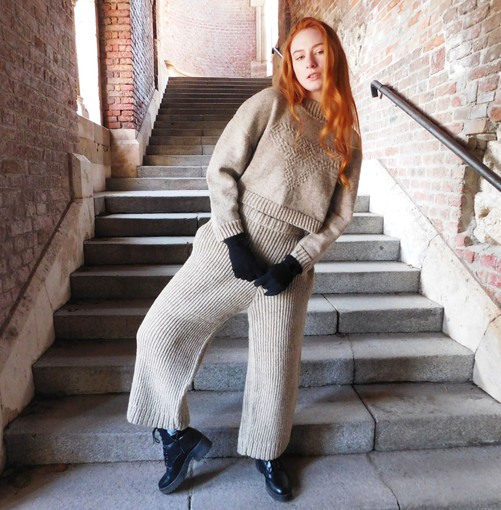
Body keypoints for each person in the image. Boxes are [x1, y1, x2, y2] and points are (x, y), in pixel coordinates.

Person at [126, 16, 362, 502]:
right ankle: (173, 433)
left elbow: (339, 217)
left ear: (334, 56)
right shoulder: (271, 104)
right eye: (299, 55)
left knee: (276, 370)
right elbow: (221, 170)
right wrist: (235, 241)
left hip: (288, 268)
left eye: (318, 52)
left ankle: (268, 452)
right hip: (228, 250)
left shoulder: (347, 137)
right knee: (158, 331)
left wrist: (295, 263)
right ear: (289, 63)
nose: (309, 63)